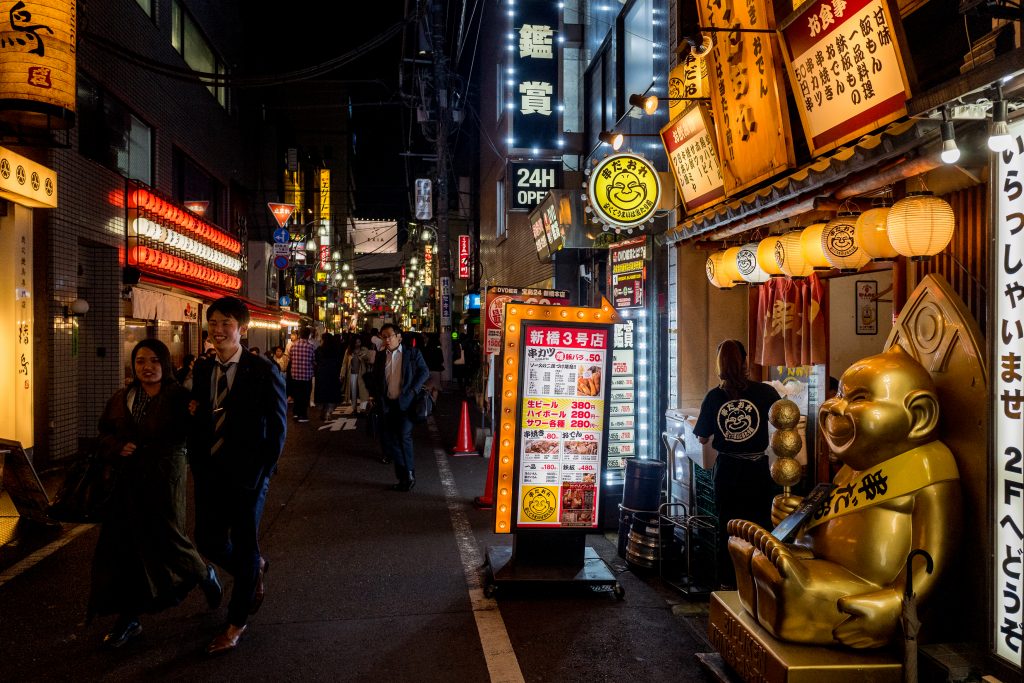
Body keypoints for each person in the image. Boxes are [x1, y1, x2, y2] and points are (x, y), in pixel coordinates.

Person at [88, 339, 222, 649]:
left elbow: (201, 433)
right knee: (126, 549)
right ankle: (129, 618)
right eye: (140, 362)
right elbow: (104, 433)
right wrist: (116, 446)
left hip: (164, 477)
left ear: (165, 363)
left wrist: (199, 414)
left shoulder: (180, 398)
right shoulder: (122, 398)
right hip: (127, 482)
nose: (147, 368)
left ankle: (203, 573)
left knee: (170, 536)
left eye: (153, 361)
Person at [188, 297, 287, 655]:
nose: (217, 329)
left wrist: (264, 471)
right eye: (212, 322)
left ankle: (235, 623)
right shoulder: (202, 369)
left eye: (225, 323)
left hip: (248, 475)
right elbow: (199, 416)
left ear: (242, 329)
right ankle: (254, 569)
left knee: (245, 546)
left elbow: (278, 426)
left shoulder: (262, 369)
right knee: (208, 540)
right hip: (210, 472)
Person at [692, 339, 781, 589]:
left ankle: (729, 583)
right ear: (744, 363)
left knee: (728, 526)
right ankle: (759, 581)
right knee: (759, 525)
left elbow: (702, 437)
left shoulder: (714, 397)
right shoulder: (765, 392)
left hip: (728, 470)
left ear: (719, 364)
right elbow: (785, 419)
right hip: (757, 470)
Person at [369, 323, 429, 491]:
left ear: (399, 337)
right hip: (387, 404)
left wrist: (413, 390)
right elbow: (375, 378)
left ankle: (410, 474)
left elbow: (424, 372)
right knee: (392, 440)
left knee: (404, 436)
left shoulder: (412, 353)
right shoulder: (381, 356)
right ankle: (403, 476)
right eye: (384, 337)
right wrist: (374, 395)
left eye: (390, 336)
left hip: (406, 404)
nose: (387, 340)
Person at [288, 327, 316, 423]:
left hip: (295, 375)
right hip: (306, 375)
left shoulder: (293, 346)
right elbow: (314, 361)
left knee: (297, 395)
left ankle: (295, 413)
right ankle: (303, 415)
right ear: (308, 335)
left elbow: (290, 359)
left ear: (299, 335)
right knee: (305, 396)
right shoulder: (311, 347)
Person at [313, 332, 343, 420]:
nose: (320, 341)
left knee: (322, 394)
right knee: (331, 394)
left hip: (321, 373)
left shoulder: (319, 350)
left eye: (321, 339)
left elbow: (316, 361)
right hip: (333, 374)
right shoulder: (336, 349)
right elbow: (339, 362)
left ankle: (323, 411)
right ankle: (328, 412)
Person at [422, 333, 444, 402]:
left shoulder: (426, 349)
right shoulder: (438, 349)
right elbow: (441, 360)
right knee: (435, 388)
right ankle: (433, 402)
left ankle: (428, 402)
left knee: (427, 387)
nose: (425, 340)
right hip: (436, 370)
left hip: (427, 370)